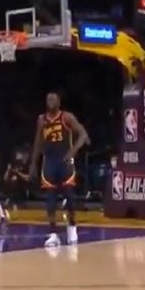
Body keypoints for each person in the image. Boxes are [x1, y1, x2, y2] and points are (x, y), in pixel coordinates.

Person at [29, 92, 89, 247]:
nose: (50, 101)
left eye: (53, 99)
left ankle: (72, 227)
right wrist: (33, 163)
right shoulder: (41, 119)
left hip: (64, 161)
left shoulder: (66, 117)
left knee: (70, 196)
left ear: (59, 102)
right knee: (50, 199)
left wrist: (72, 152)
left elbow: (83, 135)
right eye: (48, 99)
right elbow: (38, 142)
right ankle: (53, 234)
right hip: (49, 161)